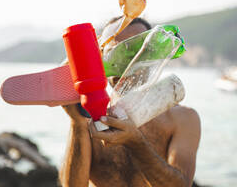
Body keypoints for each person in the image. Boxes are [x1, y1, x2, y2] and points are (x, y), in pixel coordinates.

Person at [59, 18, 201, 187]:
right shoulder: (90, 116)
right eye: (115, 53)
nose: (127, 64)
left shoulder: (182, 119)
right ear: (100, 59)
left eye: (137, 51)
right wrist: (77, 122)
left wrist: (136, 143)